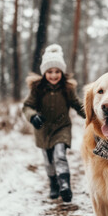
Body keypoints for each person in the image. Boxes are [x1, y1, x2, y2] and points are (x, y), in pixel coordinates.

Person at [22, 44, 85, 202]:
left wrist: (91, 115)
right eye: (50, 72)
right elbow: (27, 106)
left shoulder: (67, 88)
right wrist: (33, 116)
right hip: (43, 130)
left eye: (57, 71)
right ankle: (53, 183)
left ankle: (65, 184)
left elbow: (77, 105)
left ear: (62, 72)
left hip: (62, 127)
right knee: (49, 160)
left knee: (59, 155)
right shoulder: (37, 88)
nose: (54, 75)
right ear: (44, 73)